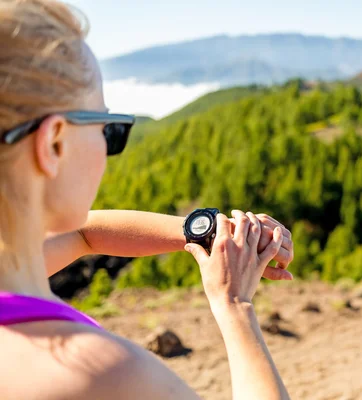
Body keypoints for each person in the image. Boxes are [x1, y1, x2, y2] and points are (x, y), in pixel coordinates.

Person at [0, 1, 293, 399]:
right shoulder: (100, 375)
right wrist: (234, 305)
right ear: (53, 143)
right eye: (107, 128)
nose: (108, 148)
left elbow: (86, 234)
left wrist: (208, 234)